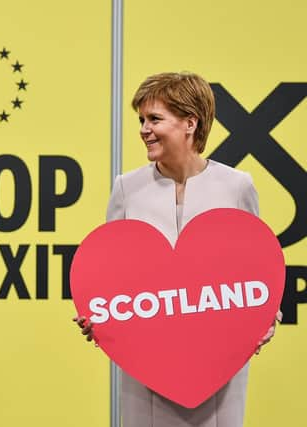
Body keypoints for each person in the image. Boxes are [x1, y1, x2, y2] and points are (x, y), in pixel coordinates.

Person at [73, 72, 281, 427]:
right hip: (146, 368)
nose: (143, 129)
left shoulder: (237, 187)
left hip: (220, 366)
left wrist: (267, 317)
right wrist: (99, 315)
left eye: (154, 119)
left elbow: (256, 268)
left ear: (190, 123)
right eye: (141, 119)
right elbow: (110, 273)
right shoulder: (127, 188)